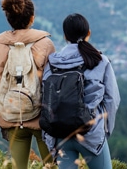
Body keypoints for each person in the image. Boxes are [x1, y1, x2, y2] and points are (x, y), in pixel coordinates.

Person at [42, 13, 120, 169]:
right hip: (90, 133)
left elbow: (44, 96)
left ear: (65, 36)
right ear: (88, 33)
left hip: (60, 134)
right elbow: (112, 99)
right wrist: (105, 131)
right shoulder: (99, 60)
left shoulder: (52, 62)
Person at [0, 0, 56, 169]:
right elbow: (52, 83)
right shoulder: (45, 44)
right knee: (52, 166)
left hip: (10, 114)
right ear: (32, 18)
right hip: (41, 117)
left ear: (8, 18)